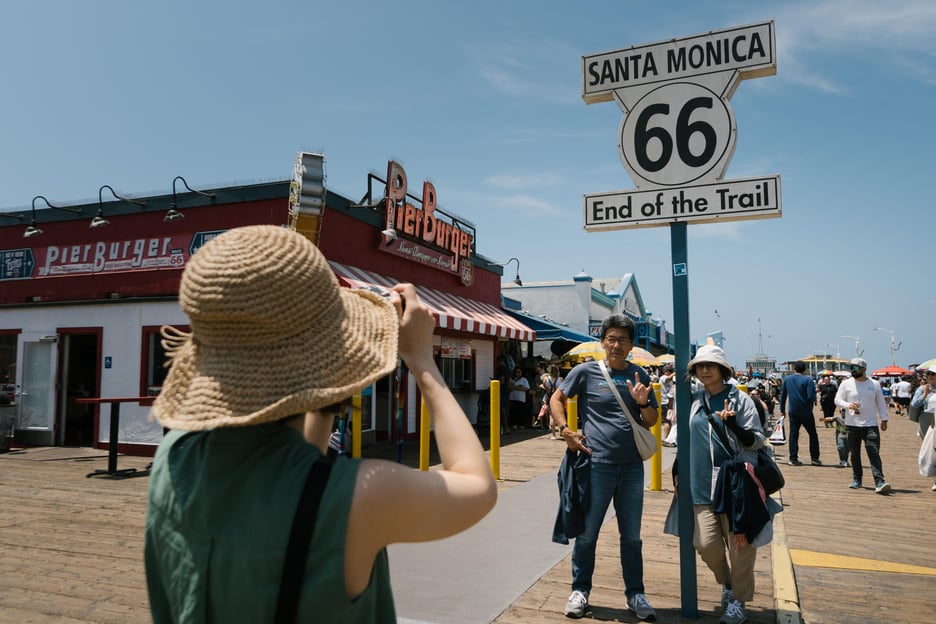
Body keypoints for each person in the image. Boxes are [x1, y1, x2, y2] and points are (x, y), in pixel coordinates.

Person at [144, 225, 497, 622]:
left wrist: (326, 392)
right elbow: (477, 487)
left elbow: (299, 465)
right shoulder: (361, 495)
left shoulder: (174, 458)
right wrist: (422, 360)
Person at [549, 315, 659, 621]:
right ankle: (579, 590)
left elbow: (651, 421)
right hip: (596, 466)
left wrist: (641, 402)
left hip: (632, 469)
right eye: (611, 338)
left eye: (623, 340)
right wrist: (565, 430)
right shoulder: (585, 372)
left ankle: (635, 594)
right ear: (603, 342)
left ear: (631, 345)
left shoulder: (640, 376)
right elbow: (557, 397)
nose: (616, 345)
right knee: (587, 534)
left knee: (632, 537)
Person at [681, 345, 770, 624]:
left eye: (711, 365)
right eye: (699, 366)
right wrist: (676, 470)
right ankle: (728, 585)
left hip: (735, 487)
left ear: (723, 370)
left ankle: (739, 601)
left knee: (741, 546)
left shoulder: (740, 400)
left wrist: (733, 426)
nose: (705, 371)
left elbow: (757, 439)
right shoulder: (694, 401)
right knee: (705, 544)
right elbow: (685, 437)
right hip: (701, 485)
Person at [834, 357, 891, 493]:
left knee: (874, 453)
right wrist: (848, 405)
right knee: (855, 454)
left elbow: (881, 403)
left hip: (871, 424)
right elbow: (837, 400)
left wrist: (884, 419)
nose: (853, 370)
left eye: (856, 368)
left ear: (864, 369)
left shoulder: (874, 384)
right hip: (852, 424)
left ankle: (879, 481)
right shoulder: (846, 384)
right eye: (851, 368)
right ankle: (857, 479)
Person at [779, 361, 821, 466]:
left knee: (793, 434)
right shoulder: (808, 379)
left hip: (793, 411)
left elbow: (783, 396)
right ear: (805, 369)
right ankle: (814, 458)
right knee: (812, 434)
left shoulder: (787, 379)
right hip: (806, 411)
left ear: (794, 368)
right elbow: (811, 396)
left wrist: (782, 410)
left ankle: (793, 458)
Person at [909, 365, 936, 491]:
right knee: (931, 450)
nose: (930, 376)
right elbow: (914, 404)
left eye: (932, 374)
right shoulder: (922, 388)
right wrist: (925, 395)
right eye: (928, 373)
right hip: (927, 420)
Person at [538, 363, 561, 437]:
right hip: (558, 398)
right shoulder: (560, 379)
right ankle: (561, 431)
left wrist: (544, 387)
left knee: (551, 416)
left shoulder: (546, 379)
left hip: (549, 398)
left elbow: (545, 387)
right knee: (560, 416)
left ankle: (553, 435)